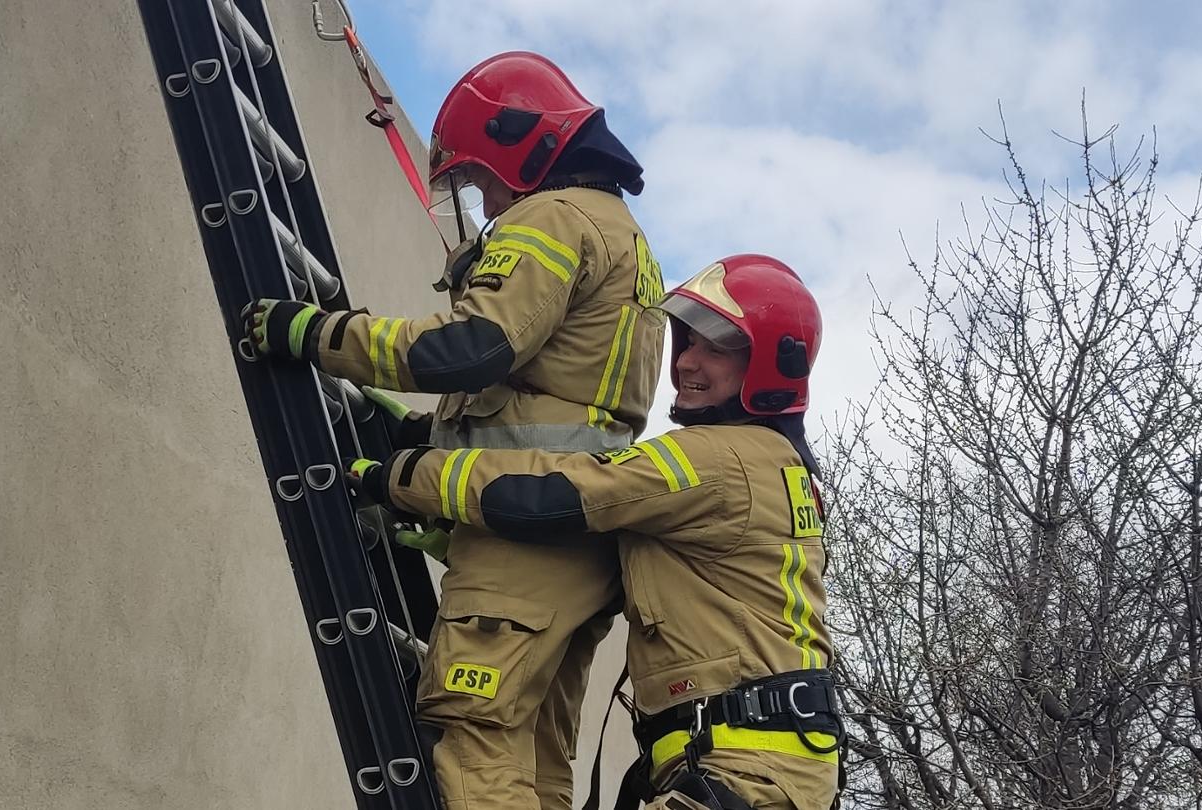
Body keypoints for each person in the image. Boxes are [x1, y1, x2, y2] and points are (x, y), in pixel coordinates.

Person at [242, 51, 666, 810]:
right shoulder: (626, 241)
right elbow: (550, 406)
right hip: (578, 536)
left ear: (523, 146)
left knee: (469, 736)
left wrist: (317, 334)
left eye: (479, 178)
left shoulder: (552, 218)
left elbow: (471, 349)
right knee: (536, 763)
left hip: (524, 540)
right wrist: (435, 475)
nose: (486, 200)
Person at [346, 255, 841, 810]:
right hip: (759, 770)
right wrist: (460, 531)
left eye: (718, 348)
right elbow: (626, 561)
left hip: (742, 772)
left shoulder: (717, 458)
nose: (688, 363)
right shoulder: (773, 465)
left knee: (471, 747)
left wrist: (408, 476)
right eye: (688, 343)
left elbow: (556, 492)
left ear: (773, 367)